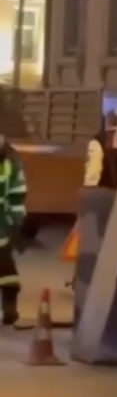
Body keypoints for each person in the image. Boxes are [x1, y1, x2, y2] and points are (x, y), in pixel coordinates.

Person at [0, 134, 27, 326]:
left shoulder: (11, 162)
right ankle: (10, 308)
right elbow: (17, 196)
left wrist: (15, 223)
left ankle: (10, 308)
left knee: (6, 270)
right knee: (6, 269)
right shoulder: (11, 161)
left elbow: (17, 195)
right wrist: (16, 222)